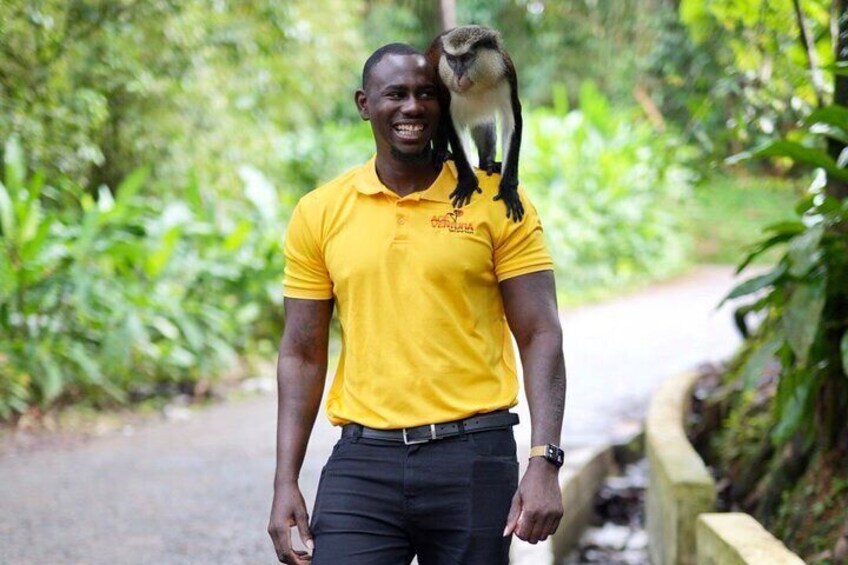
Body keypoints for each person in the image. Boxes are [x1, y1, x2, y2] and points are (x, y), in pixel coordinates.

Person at [267, 42, 566, 565]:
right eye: (395, 94)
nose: (412, 107)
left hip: (474, 455)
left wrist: (544, 461)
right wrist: (285, 480)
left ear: (445, 101)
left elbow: (540, 332)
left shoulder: (497, 202)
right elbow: (301, 352)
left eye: (427, 94)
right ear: (365, 104)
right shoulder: (320, 211)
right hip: (363, 461)